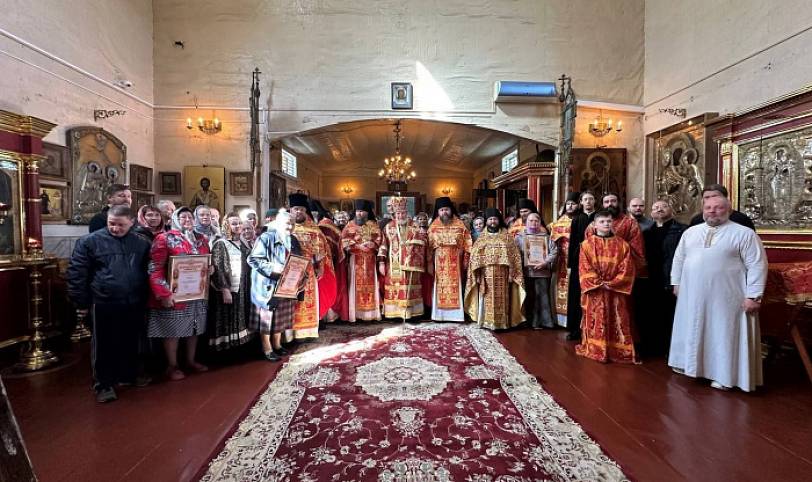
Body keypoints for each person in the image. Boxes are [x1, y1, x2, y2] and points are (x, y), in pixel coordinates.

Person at [669, 196, 767, 391]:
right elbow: (679, 259)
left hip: (728, 298)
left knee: (723, 333)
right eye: (708, 208)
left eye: (718, 208)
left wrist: (753, 295)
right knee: (694, 327)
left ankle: (724, 376)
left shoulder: (744, 234)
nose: (712, 211)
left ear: (728, 210)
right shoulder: (690, 233)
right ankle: (693, 367)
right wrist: (676, 282)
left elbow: (757, 265)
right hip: (693, 296)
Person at [67, 205, 151, 403]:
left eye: (121, 225)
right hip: (104, 300)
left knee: (131, 340)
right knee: (104, 344)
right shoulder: (90, 242)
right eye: (111, 224)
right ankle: (103, 384)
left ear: (132, 222)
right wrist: (80, 301)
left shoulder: (141, 243)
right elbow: (77, 272)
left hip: (134, 299)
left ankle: (127, 376)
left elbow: (149, 269)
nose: (115, 228)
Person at [147, 207, 210, 381]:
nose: (187, 219)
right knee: (173, 331)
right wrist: (164, 294)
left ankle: (190, 361)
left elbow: (206, 262)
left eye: (190, 217)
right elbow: (154, 268)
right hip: (174, 295)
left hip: (196, 294)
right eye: (183, 217)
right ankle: (172, 365)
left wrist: (210, 268)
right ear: (174, 219)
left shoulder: (201, 239)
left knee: (194, 328)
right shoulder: (164, 238)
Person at [575, 209, 637, 363]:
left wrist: (614, 283)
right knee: (595, 320)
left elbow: (627, 267)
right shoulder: (586, 245)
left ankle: (616, 351)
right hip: (595, 291)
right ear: (595, 225)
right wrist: (598, 283)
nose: (606, 224)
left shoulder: (623, 245)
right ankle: (596, 349)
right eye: (602, 222)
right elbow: (584, 267)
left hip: (615, 290)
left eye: (608, 221)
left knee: (617, 320)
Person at [248, 209, 300, 361]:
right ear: (277, 223)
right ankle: (267, 347)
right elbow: (253, 259)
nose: (289, 227)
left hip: (286, 285)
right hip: (267, 285)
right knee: (267, 318)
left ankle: (277, 344)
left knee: (280, 317)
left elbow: (299, 259)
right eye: (286, 223)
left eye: (292, 224)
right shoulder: (266, 237)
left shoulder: (293, 239)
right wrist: (273, 268)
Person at [464, 207, 525, 330]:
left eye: (495, 219)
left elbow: (515, 256)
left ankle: (504, 323)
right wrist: (478, 271)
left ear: (499, 220)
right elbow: (475, 255)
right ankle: (486, 322)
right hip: (486, 273)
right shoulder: (482, 237)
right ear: (486, 221)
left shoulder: (507, 236)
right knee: (486, 297)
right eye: (490, 219)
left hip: (504, 274)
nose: (493, 221)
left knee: (503, 299)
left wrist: (512, 271)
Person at [642, 200, 686, 356]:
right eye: (655, 207)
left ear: (671, 210)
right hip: (651, 279)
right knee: (652, 314)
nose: (659, 209)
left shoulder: (682, 230)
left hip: (671, 279)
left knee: (670, 315)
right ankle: (653, 347)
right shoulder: (646, 232)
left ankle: (671, 350)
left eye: (663, 206)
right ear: (651, 213)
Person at [207, 212, 254, 352]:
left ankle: (240, 347)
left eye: (239, 223)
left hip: (244, 285)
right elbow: (218, 268)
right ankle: (227, 350)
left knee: (241, 316)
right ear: (227, 225)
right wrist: (225, 289)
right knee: (228, 316)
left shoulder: (243, 242)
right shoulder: (221, 243)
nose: (238, 226)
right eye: (234, 224)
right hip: (229, 287)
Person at [289, 193, 331, 339]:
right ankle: (290, 334)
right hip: (290, 271)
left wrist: (320, 267)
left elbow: (321, 250)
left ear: (305, 211)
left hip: (308, 270)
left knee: (308, 300)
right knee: (291, 301)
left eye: (301, 209)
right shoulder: (286, 228)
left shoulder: (314, 230)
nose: (299, 212)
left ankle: (307, 331)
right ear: (290, 210)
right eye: (296, 209)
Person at [378, 196, 427, 320]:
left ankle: (411, 314)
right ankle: (395, 314)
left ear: (407, 212)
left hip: (411, 264)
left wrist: (419, 239)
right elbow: (383, 244)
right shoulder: (388, 227)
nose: (400, 216)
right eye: (398, 213)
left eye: (403, 213)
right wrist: (381, 263)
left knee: (411, 289)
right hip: (394, 264)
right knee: (395, 288)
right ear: (395, 213)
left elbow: (423, 242)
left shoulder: (415, 226)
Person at [427, 197, 472, 322]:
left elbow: (468, 244)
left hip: (455, 260)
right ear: (438, 212)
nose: (444, 212)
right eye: (441, 210)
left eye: (446, 209)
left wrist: (465, 260)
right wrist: (429, 263)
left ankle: (456, 315)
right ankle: (439, 315)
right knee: (439, 286)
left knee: (456, 286)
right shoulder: (433, 226)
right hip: (439, 260)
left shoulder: (460, 225)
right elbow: (429, 247)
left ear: (451, 210)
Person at [340, 199, 382, 321]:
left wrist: (373, 244)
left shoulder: (374, 225)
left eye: (362, 211)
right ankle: (356, 314)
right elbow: (343, 241)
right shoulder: (349, 225)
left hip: (370, 260)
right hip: (355, 259)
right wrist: (357, 246)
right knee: (354, 285)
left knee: (372, 285)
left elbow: (380, 240)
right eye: (358, 211)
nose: (360, 214)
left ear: (367, 213)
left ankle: (371, 314)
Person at [515, 212, 558, 329]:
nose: (534, 223)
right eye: (531, 221)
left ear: (540, 222)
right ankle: (527, 322)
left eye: (536, 221)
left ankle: (543, 322)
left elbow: (554, 251)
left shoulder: (546, 237)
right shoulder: (519, 237)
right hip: (526, 272)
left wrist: (545, 262)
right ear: (526, 222)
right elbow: (515, 253)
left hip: (542, 271)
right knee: (528, 296)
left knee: (542, 297)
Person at [566, 190, 597, 340]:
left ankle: (593, 329)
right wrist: (570, 265)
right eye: (586, 199)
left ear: (594, 201)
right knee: (576, 294)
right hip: (579, 260)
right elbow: (572, 243)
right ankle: (575, 329)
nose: (588, 202)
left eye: (591, 199)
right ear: (581, 202)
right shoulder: (577, 219)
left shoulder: (599, 218)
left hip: (597, 261)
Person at [548, 192, 580, 326]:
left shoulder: (581, 220)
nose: (570, 206)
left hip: (577, 260)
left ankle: (573, 320)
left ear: (578, 205)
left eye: (573, 204)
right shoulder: (557, 223)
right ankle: (560, 320)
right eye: (568, 204)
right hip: (561, 261)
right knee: (559, 289)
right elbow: (551, 242)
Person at [310, 200, 344, 322]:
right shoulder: (320, 224)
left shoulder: (324, 225)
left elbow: (331, 244)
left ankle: (323, 316)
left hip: (323, 261)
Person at [689, 184, 756, 230]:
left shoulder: (742, 219)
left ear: (725, 199)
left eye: (715, 196)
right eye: (707, 197)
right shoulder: (696, 220)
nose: (711, 200)